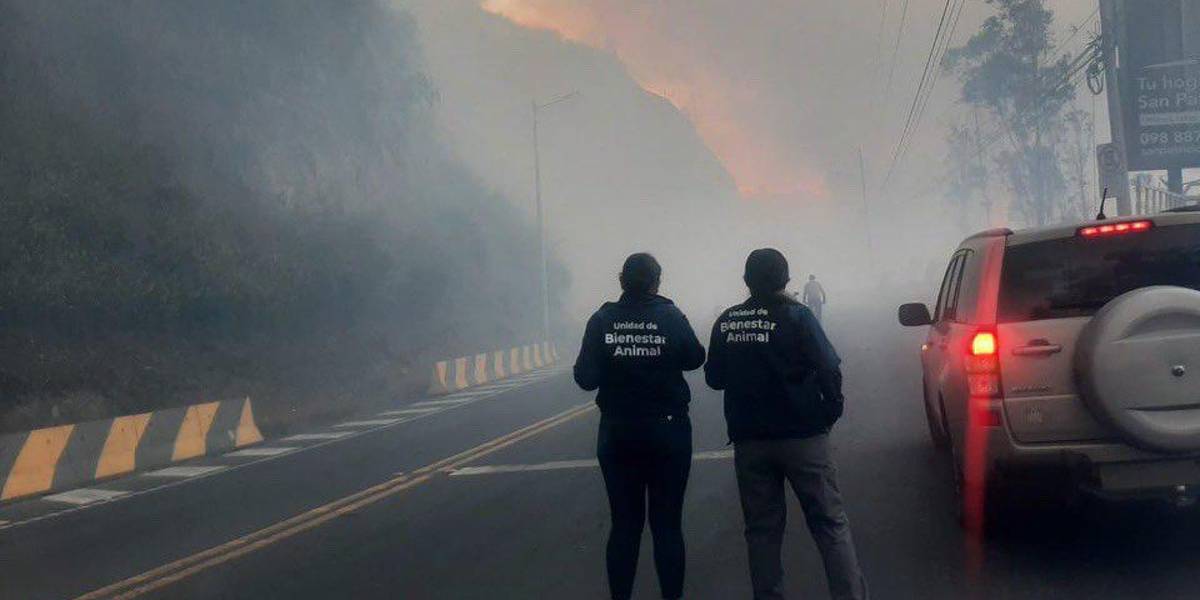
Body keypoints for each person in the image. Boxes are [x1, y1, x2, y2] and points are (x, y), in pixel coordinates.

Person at [705, 249, 867, 600]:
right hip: (803, 436)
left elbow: (714, 378)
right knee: (829, 524)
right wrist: (830, 411)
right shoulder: (798, 316)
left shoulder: (727, 321)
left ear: (746, 282)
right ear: (786, 280)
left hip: (750, 441)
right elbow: (828, 367)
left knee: (761, 531)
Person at [574, 253, 707, 600]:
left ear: (621, 281)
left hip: (618, 433)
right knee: (667, 526)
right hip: (668, 432)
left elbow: (585, 378)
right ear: (656, 282)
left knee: (624, 525)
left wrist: (617, 359)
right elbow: (695, 357)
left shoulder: (602, 320)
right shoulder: (670, 316)